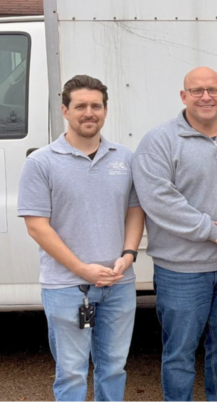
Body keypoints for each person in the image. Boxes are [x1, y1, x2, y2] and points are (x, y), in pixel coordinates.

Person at [132, 67, 217, 401]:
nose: (205, 97)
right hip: (181, 271)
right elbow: (160, 201)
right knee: (179, 354)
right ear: (183, 96)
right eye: (197, 90)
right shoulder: (159, 142)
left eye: (212, 90)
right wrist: (211, 230)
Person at [18, 75, 144, 402]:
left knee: (114, 367)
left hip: (119, 282)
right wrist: (82, 269)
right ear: (65, 110)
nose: (89, 113)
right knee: (72, 371)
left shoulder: (124, 158)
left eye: (96, 106)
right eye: (81, 106)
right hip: (66, 286)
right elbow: (37, 226)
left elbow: (135, 210)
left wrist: (129, 254)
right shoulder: (41, 161)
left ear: (105, 110)